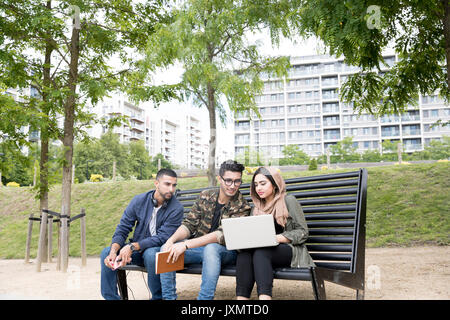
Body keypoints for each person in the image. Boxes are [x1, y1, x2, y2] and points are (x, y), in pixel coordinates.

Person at [160, 160, 251, 300]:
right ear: (219, 179)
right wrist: (171, 241)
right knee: (165, 249)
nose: (233, 186)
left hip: (227, 252)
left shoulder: (242, 206)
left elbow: (221, 235)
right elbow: (189, 224)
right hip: (200, 249)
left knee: (212, 248)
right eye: (228, 181)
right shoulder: (205, 195)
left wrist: (185, 245)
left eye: (237, 181)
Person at [100, 168, 184, 300]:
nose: (171, 189)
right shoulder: (139, 200)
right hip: (137, 249)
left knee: (152, 255)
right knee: (106, 253)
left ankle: (158, 297)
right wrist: (113, 250)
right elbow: (123, 228)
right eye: (167, 184)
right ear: (156, 183)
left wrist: (133, 246)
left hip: (158, 249)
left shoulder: (176, 208)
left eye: (174, 185)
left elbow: (162, 237)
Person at [235, 166, 315, 300]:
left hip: (289, 250)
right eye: (255, 185)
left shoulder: (289, 201)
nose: (258, 188)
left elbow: (303, 232)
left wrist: (276, 238)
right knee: (245, 255)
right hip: (263, 252)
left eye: (263, 183)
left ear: (275, 184)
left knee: (262, 251)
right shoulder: (255, 208)